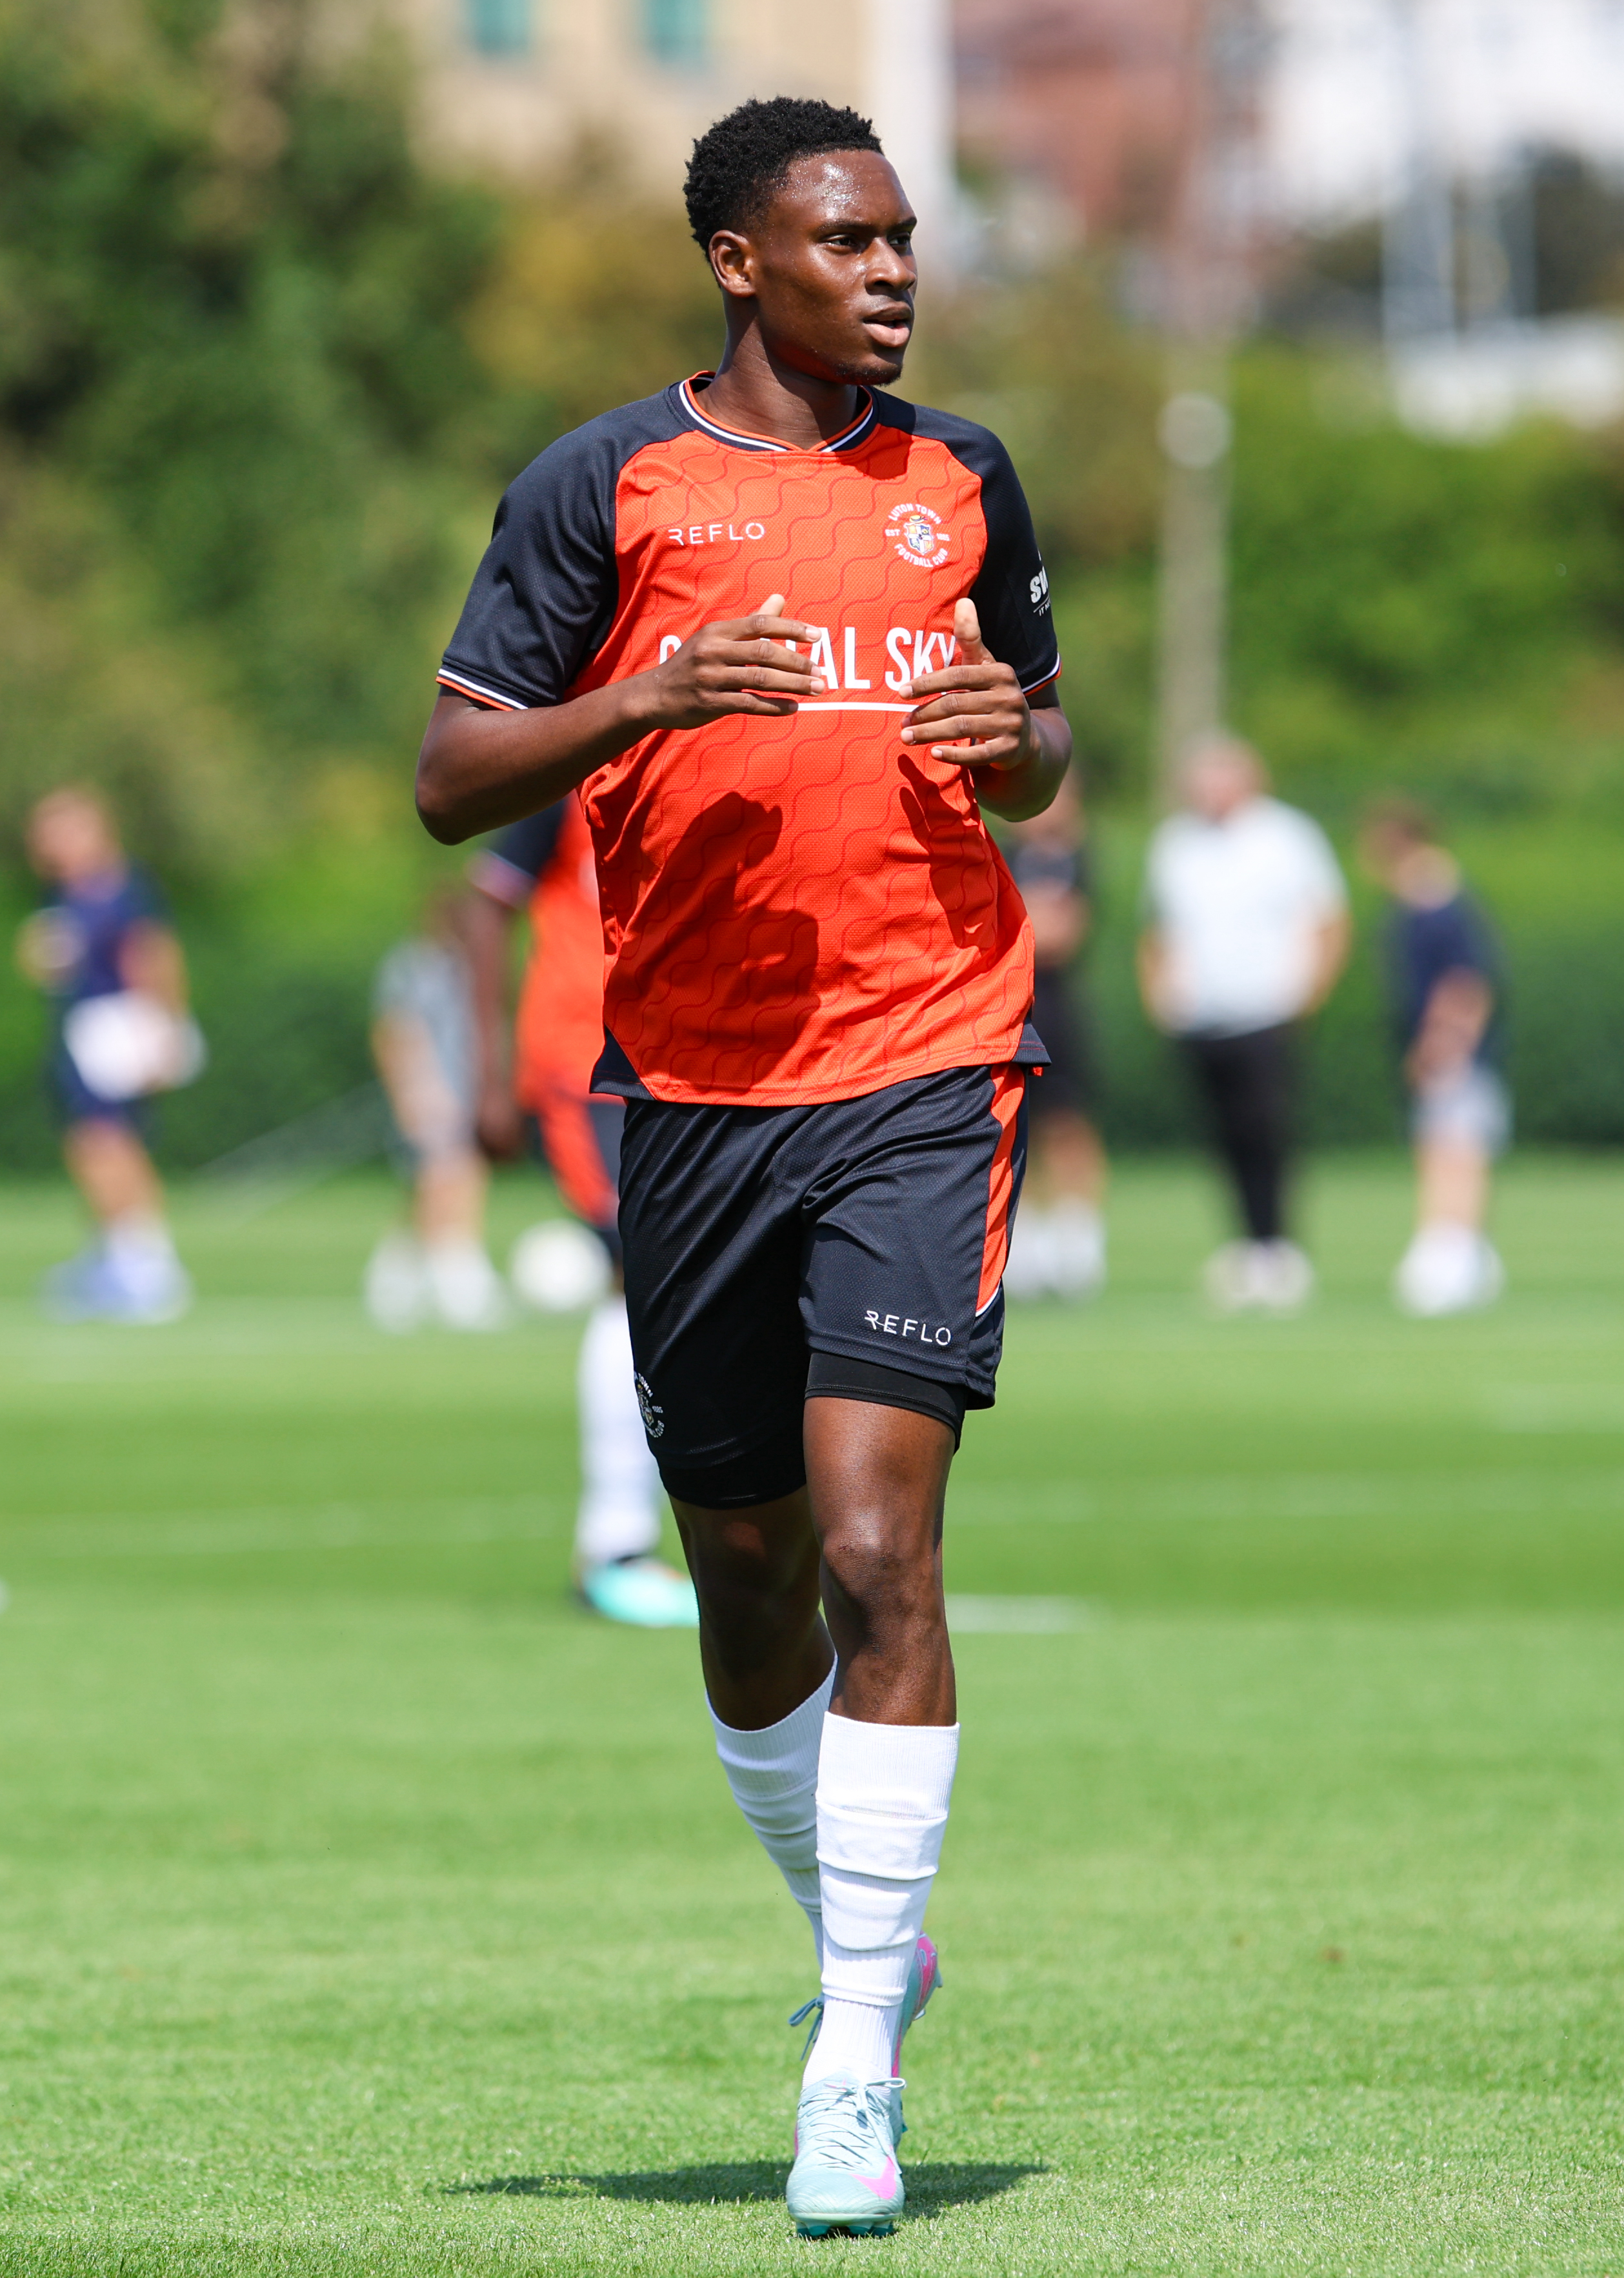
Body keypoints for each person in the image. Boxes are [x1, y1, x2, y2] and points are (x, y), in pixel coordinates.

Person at [414, 96, 1072, 2238]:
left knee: (883, 1549)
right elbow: (445, 781)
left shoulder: (962, 478)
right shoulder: (603, 487)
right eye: (845, 239)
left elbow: (1044, 732)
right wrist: (644, 699)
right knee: (744, 1580)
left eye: (902, 238)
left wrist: (1025, 744)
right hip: (689, 1098)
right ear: (736, 261)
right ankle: (862, 1926)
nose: (890, 269)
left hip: (925, 1064)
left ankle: (851, 2062)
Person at [466, 797, 701, 1628]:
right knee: (634, 1276)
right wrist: (488, 1072)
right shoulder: (570, 769)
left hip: (686, 1058)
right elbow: (485, 897)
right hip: (585, 1062)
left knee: (691, 1285)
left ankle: (690, 1535)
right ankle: (613, 1547)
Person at [1136, 735, 1348, 1314]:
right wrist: (1160, 997)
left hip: (1267, 1012)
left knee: (1267, 1133)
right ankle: (1246, 1246)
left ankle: (1277, 1247)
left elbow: (1328, 919)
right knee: (1223, 1137)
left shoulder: (1287, 836)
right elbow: (1159, 928)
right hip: (1201, 1017)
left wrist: (1306, 996)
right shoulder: (1175, 842)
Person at [20, 786, 194, 1324]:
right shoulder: (64, 894)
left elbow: (154, 954)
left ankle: (142, 1264)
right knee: (95, 1142)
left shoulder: (121, 888)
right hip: (83, 1030)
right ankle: (119, 1254)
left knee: (107, 1142)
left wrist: (164, 1025)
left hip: (116, 1028)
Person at [1362, 797, 1509, 1316]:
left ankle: (1452, 1253)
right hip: (1440, 1046)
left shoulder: (1439, 905)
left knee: (1455, 1148)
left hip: (1453, 1050)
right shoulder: (1415, 904)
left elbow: (1466, 982)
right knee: (1439, 1142)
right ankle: (1456, 1251)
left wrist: (1441, 1044)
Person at [365, 884, 506, 1333]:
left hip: (465, 1090)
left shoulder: (467, 967)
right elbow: (393, 1031)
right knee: (447, 1177)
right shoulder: (410, 965)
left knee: (441, 1180)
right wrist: (413, 1090)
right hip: (428, 1089)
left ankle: (395, 1281)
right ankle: (456, 1277)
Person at [997, 775, 1108, 1302]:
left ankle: (1079, 1237)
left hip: (1059, 1008)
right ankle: (1027, 1241)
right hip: (1008, 1006)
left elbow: (1063, 936)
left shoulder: (1080, 860)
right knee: (1017, 1120)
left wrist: (1027, 922)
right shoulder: (1003, 854)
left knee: (1067, 1121)